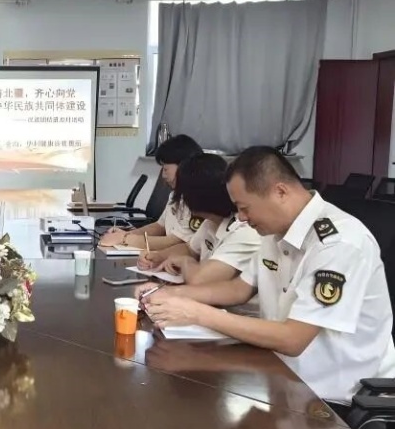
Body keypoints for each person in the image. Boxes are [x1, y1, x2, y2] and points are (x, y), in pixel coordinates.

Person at [136, 146, 395, 406]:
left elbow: (293, 339)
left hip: (336, 399)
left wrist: (196, 313)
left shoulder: (339, 244)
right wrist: (169, 294)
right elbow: (238, 289)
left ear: (280, 192)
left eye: (244, 208)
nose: (241, 218)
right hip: (282, 376)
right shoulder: (275, 231)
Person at [137, 153, 261, 285]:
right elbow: (189, 249)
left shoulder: (244, 231)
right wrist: (159, 256)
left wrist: (185, 262)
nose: (182, 199)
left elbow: (200, 279)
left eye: (183, 194)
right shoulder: (210, 222)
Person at [100, 134, 204, 250]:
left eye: (165, 169)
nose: (163, 175)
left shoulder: (198, 200)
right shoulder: (176, 195)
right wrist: (127, 234)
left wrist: (124, 239)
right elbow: (160, 226)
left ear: (183, 166)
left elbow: (176, 242)